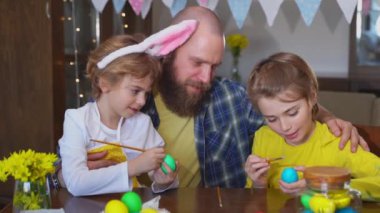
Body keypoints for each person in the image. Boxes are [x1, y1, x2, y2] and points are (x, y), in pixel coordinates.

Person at [55, 6, 368, 189]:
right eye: (197, 63)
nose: (206, 78)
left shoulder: (232, 99)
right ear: (169, 52)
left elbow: (286, 105)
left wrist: (326, 117)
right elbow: (65, 171)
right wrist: (65, 174)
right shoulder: (132, 99)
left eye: (214, 66)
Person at [58, 20, 198, 196]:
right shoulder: (77, 120)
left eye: (146, 93)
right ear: (105, 83)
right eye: (135, 91)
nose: (141, 101)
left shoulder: (142, 123)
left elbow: (163, 181)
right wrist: (134, 166)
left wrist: (165, 181)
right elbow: (76, 182)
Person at [244, 52, 380, 200]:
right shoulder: (264, 138)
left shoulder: (336, 141)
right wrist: (258, 183)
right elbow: (254, 200)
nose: (284, 127)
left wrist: (327, 185)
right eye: (271, 119)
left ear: (312, 98)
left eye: (292, 113)